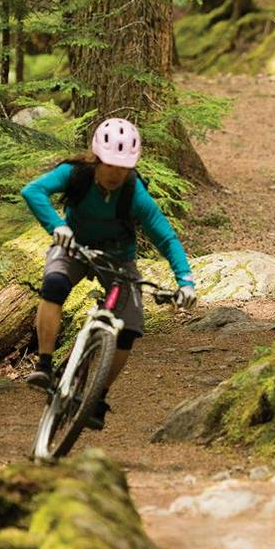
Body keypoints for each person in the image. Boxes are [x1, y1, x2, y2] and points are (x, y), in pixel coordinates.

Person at [20, 117, 197, 430]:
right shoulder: (76, 174)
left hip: (118, 259)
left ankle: (97, 396)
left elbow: (166, 238)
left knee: (129, 328)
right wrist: (57, 226)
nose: (116, 173)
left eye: (124, 167)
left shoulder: (134, 192)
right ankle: (44, 365)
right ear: (98, 159)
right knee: (54, 284)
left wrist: (186, 281)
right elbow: (33, 191)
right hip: (74, 246)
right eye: (111, 165)